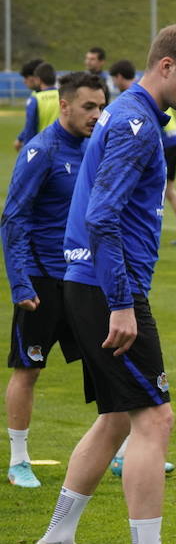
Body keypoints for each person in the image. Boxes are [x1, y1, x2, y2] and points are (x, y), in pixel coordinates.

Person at [29, 23, 176, 544]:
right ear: (166, 66)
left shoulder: (126, 115)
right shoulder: (138, 125)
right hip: (108, 288)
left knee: (117, 416)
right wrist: (121, 303)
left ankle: (58, 540)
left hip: (86, 281)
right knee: (155, 419)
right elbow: (103, 216)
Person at [3, 73, 107, 489]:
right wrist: (20, 282)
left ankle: (118, 453)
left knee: (106, 364)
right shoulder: (40, 152)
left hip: (84, 277)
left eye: (101, 107)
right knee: (29, 368)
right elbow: (13, 218)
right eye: (88, 107)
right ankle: (18, 460)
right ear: (64, 105)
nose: (96, 115)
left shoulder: (94, 149)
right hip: (43, 279)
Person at [112, 59, 176, 247]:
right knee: (169, 190)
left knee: (144, 188)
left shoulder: (136, 94)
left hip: (164, 142)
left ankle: (140, 231)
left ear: (118, 77)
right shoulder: (147, 87)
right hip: (175, 140)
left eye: (114, 79)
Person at [13, 62, 59, 152]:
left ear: (38, 79)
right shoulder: (64, 95)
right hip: (62, 146)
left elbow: (30, 127)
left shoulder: (35, 98)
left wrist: (27, 150)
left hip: (43, 146)